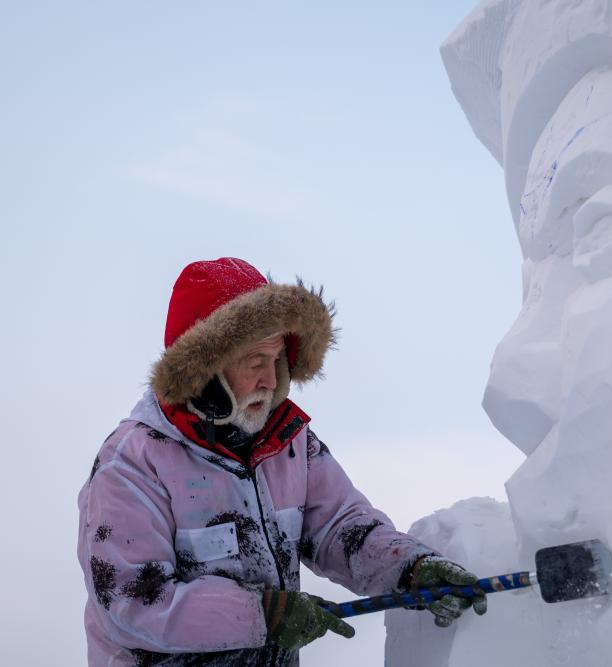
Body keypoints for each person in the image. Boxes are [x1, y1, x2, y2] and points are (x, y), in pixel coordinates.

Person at [77, 257, 486, 666]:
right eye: (255, 361)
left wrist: (410, 568)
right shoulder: (131, 465)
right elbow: (134, 600)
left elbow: (340, 527)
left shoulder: (290, 443)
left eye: (277, 361)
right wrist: (265, 614)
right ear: (203, 371)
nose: (271, 381)